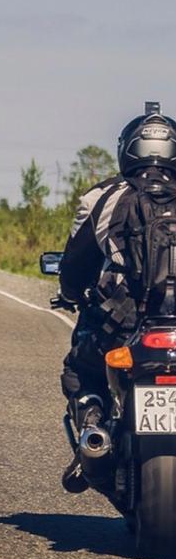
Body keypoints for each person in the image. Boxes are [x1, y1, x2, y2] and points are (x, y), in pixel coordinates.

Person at [58, 104, 176, 490]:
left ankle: (93, 432)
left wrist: (70, 293)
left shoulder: (104, 197)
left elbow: (76, 263)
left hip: (125, 325)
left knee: (80, 368)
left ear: (127, 149)